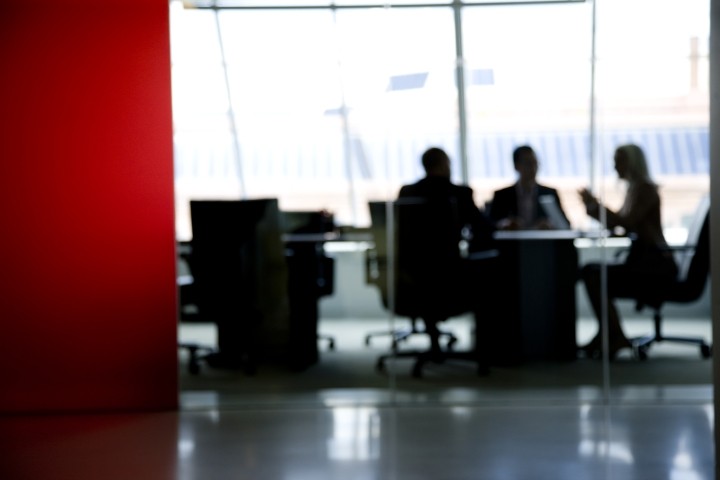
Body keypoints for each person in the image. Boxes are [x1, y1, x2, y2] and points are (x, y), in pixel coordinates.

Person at [578, 144, 678, 359]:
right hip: (645, 260)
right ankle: (610, 333)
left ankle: (614, 335)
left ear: (632, 163)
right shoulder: (636, 189)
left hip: (654, 265)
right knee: (592, 271)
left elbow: (627, 223)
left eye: (619, 160)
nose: (614, 166)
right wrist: (595, 209)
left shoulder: (645, 190)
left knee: (592, 273)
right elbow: (625, 224)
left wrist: (595, 207)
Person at [397, 147, 495, 359]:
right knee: (492, 272)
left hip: (412, 274)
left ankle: (434, 339)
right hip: (452, 273)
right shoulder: (459, 193)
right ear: (444, 165)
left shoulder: (408, 192)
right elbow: (482, 228)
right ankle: (488, 347)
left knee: (429, 286)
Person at [489, 145, 570, 230]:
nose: (533, 168)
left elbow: (565, 224)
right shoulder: (502, 196)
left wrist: (550, 224)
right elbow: (489, 224)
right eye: (528, 163)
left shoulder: (549, 193)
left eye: (535, 163)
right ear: (516, 166)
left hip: (543, 242)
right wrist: (504, 224)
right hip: (512, 242)